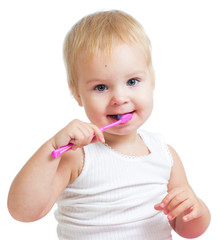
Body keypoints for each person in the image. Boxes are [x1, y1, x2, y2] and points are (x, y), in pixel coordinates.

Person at [8, 10, 210, 240]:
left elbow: (189, 230)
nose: (120, 98)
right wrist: (50, 149)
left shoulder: (164, 154)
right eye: (101, 87)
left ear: (152, 82)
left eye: (132, 81)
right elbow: (23, 212)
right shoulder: (76, 155)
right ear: (77, 94)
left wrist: (196, 209)